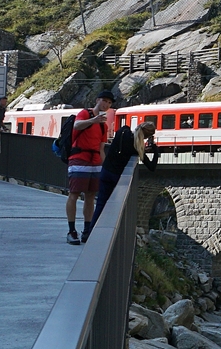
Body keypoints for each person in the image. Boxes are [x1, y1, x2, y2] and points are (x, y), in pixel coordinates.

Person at [91, 119, 159, 229]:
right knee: (116, 207)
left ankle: (89, 231)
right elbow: (151, 167)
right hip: (117, 177)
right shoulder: (136, 147)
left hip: (105, 171)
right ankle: (108, 230)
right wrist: (155, 151)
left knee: (100, 203)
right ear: (147, 136)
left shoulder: (123, 131)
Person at [67, 90, 113, 245]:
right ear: (97, 100)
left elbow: (101, 148)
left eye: (109, 102)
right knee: (74, 193)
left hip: (95, 162)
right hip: (79, 158)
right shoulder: (85, 113)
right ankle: (71, 230)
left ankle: (87, 230)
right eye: (104, 101)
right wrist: (94, 120)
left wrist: (105, 167)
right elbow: (77, 125)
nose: (106, 104)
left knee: (90, 196)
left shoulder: (103, 127)